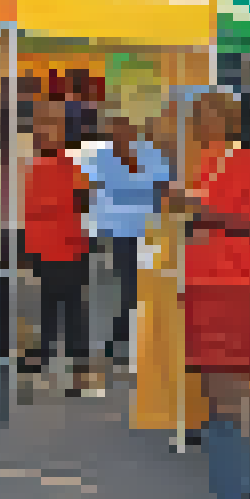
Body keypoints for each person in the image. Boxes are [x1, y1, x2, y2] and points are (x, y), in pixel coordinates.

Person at [170, 91, 250, 499]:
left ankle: (240, 495)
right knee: (219, 392)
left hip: (230, 285)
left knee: (230, 392)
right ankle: (236, 491)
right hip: (202, 285)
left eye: (208, 112)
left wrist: (202, 213)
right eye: (197, 112)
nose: (199, 119)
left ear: (230, 117)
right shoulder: (203, 162)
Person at [79, 108, 167, 368]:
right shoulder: (101, 156)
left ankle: (127, 339)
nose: (118, 131)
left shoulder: (149, 153)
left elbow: (157, 187)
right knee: (127, 286)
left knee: (140, 287)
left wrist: (127, 186)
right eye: (114, 126)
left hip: (148, 230)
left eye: (122, 125)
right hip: (119, 230)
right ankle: (122, 340)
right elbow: (93, 189)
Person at [24, 98, 96, 397]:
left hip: (67, 246)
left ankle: (75, 370)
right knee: (51, 305)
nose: (42, 131)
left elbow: (80, 203)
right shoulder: (40, 166)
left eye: (50, 125)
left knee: (70, 307)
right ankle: (48, 356)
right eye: (40, 125)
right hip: (51, 246)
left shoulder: (70, 166)